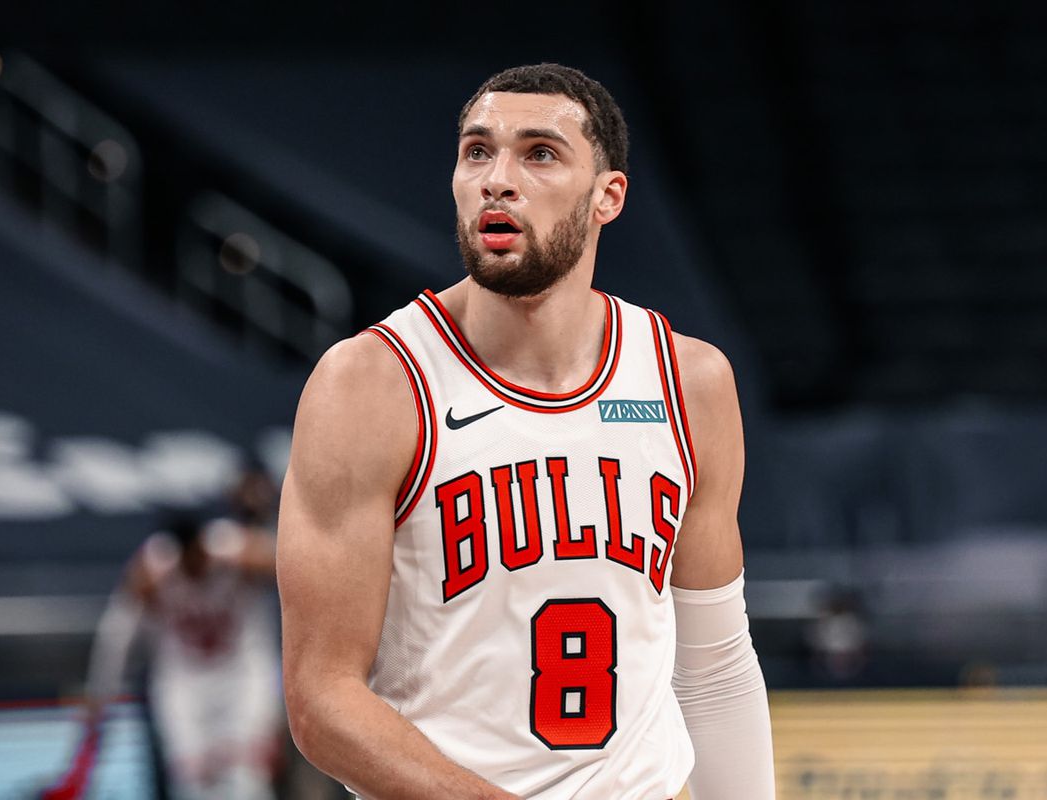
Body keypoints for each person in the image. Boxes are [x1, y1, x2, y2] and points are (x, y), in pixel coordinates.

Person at [278, 63, 774, 799]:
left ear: (608, 196)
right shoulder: (371, 385)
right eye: (478, 151)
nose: (496, 179)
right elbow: (322, 700)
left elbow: (714, 667)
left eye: (539, 153)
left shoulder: (688, 384)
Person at [85, 511, 281, 799]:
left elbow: (290, 563)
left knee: (248, 778)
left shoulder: (231, 546)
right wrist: (100, 692)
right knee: (191, 782)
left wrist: (257, 558)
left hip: (242, 676)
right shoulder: (154, 568)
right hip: (184, 682)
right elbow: (118, 633)